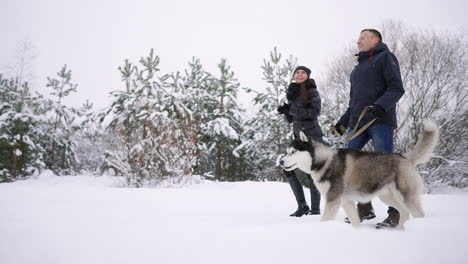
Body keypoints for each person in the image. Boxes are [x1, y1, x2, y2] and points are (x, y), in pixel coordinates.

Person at [331, 29, 405, 228]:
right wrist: (342, 123)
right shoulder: (357, 69)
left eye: (363, 37)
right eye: (358, 38)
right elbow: (353, 103)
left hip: (380, 121)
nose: (358, 41)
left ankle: (395, 213)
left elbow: (396, 88)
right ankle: (365, 208)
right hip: (358, 124)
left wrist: (380, 106)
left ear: (375, 40)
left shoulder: (385, 58)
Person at [277, 66, 323, 217]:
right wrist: (286, 112)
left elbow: (314, 112)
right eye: (297, 72)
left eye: (303, 72)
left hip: (312, 135)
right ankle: (302, 206)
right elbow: (292, 118)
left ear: (308, 76)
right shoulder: (293, 92)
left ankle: (315, 210)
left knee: (312, 171)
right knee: (287, 168)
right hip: (298, 136)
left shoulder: (312, 91)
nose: (300, 74)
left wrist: (292, 110)